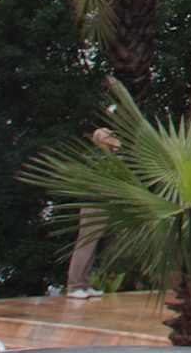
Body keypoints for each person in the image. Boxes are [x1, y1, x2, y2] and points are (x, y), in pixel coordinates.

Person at [65, 126, 120, 299]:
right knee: (86, 244)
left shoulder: (106, 156)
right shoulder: (98, 157)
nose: (114, 138)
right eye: (110, 136)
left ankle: (84, 284)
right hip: (93, 204)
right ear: (102, 140)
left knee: (92, 244)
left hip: (101, 204)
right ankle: (74, 286)